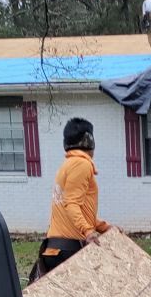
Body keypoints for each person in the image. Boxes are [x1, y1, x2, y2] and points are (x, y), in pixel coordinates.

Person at [29, 118, 113, 282]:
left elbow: (76, 209)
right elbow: (72, 204)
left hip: (55, 250)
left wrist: (105, 227)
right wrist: (88, 232)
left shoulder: (67, 165)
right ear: (89, 140)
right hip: (69, 251)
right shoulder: (82, 164)